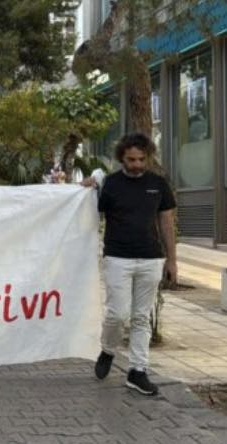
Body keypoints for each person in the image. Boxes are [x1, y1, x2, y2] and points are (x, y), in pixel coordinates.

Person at [82, 132, 177, 396]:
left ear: (148, 157)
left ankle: (137, 371)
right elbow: (86, 211)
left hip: (151, 258)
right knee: (117, 314)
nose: (136, 164)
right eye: (131, 160)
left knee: (141, 317)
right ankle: (108, 349)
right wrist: (85, 188)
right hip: (117, 258)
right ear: (121, 158)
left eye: (141, 159)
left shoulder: (158, 184)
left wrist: (172, 260)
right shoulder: (110, 184)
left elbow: (166, 223)